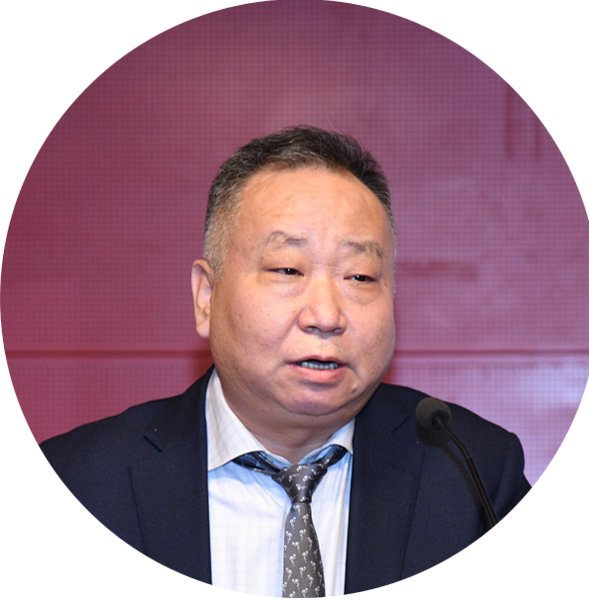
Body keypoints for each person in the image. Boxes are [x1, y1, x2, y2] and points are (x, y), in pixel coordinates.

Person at [41, 126, 530, 596]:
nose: (326, 315)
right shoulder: (75, 485)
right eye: (288, 269)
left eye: (360, 276)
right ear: (206, 298)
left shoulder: (474, 477)